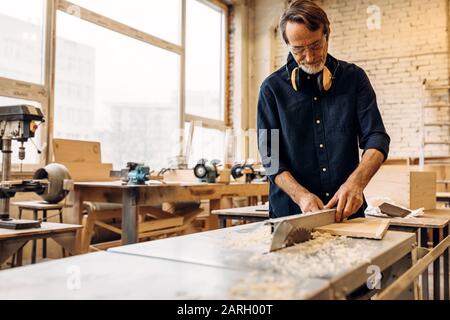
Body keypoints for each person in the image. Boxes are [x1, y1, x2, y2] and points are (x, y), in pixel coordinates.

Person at [257, 0, 390, 222]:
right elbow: (270, 159)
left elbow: (377, 138)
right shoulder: (271, 90)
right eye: (298, 49)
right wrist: (301, 197)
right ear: (288, 44)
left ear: (327, 34)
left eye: (316, 46)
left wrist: (356, 183)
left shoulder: (354, 79)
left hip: (347, 214)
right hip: (290, 215)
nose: (309, 57)